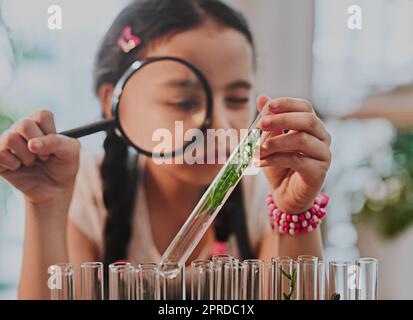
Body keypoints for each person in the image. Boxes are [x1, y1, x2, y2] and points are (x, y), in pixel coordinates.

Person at [0, 0, 331, 299]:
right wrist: (45, 205)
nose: (221, 124)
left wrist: (295, 211)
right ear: (113, 103)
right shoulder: (86, 190)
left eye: (238, 99)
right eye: (183, 101)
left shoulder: (265, 194)